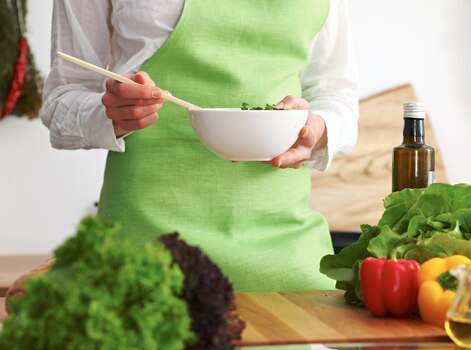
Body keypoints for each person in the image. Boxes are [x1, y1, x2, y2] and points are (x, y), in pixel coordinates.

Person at [41, 0, 359, 292]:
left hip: (284, 252)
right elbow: (61, 101)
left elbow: (336, 94)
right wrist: (113, 114)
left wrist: (316, 129)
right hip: (146, 247)